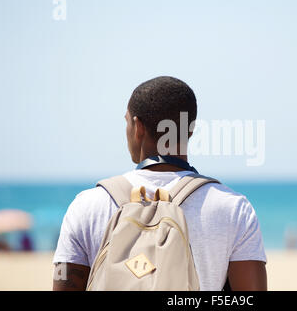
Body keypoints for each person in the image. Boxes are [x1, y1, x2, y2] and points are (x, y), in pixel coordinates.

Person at [52, 76, 267, 291]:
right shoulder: (233, 208)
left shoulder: (87, 205)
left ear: (138, 127)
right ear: (191, 130)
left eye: (126, 122)